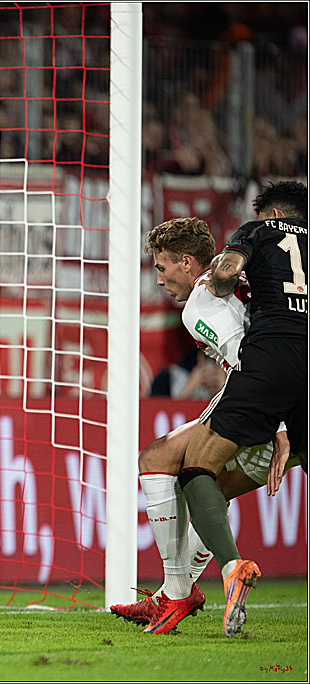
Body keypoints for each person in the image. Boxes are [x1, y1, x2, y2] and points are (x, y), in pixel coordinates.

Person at [111, 216, 298, 634]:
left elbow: (248, 366)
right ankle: (174, 592)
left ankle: (179, 594)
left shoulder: (201, 303)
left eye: (162, 267)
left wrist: (280, 426)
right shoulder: (243, 276)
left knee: (159, 460)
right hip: (294, 387)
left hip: (271, 400)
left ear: (188, 261)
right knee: (214, 491)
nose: (159, 279)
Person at [178, 181, 307, 637]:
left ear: (271, 212)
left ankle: (230, 569)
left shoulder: (258, 231)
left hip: (270, 355)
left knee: (197, 468)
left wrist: (219, 279)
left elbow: (228, 272)